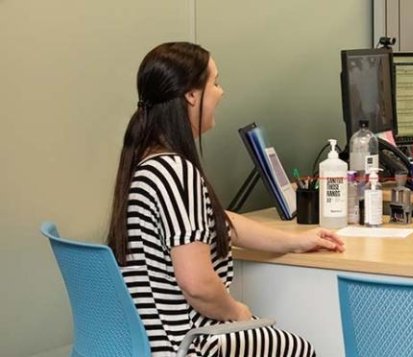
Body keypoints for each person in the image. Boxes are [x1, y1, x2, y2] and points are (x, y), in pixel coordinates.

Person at [107, 42, 344, 356]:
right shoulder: (177, 173)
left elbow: (222, 222)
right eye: (215, 83)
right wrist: (237, 312)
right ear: (191, 95)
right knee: (301, 350)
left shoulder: (148, 162)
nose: (221, 92)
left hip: (152, 341)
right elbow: (197, 284)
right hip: (190, 342)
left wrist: (294, 241)